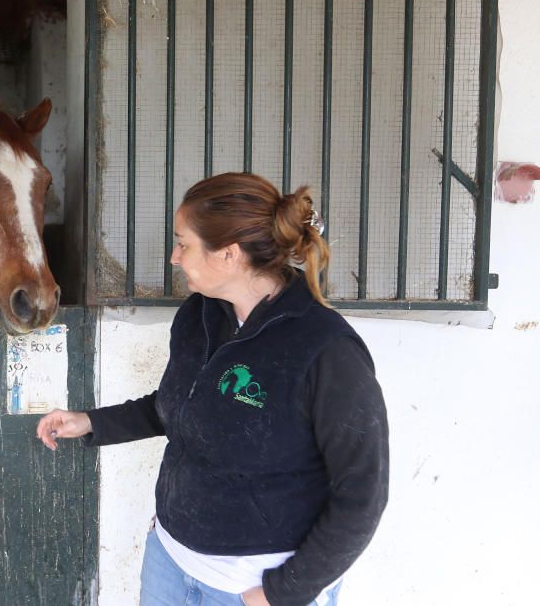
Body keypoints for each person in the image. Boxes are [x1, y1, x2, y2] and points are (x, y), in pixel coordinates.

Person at [36, 172, 389, 606]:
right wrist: (91, 422)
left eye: (183, 243)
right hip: (169, 563)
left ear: (228, 255)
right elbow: (177, 407)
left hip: (251, 589)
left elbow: (362, 495)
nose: (173, 257)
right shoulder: (200, 315)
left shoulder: (326, 350)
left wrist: (282, 592)